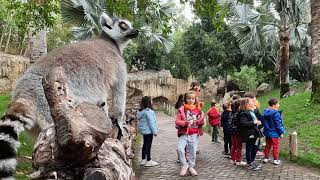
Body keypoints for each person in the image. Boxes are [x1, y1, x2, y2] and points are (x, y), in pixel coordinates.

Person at [176, 91, 204, 176]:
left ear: (195, 100)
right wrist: (186, 123)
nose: (191, 100)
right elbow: (177, 121)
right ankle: (184, 165)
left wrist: (199, 122)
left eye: (193, 98)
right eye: (189, 98)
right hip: (184, 133)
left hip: (194, 134)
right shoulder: (182, 109)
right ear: (185, 99)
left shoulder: (198, 110)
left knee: (193, 152)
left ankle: (191, 167)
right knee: (180, 149)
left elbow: (202, 121)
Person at [239, 98, 263, 171]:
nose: (253, 102)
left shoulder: (251, 111)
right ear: (247, 104)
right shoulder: (244, 113)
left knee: (254, 148)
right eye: (251, 102)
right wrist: (254, 122)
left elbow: (256, 118)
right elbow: (243, 123)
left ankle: (252, 161)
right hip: (249, 133)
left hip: (255, 132)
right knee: (249, 148)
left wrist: (258, 122)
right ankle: (249, 163)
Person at [262, 98, 286, 165]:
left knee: (268, 145)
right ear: (273, 105)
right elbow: (278, 124)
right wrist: (281, 132)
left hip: (267, 132)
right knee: (275, 146)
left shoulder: (265, 111)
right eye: (278, 103)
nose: (279, 105)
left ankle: (266, 158)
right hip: (274, 133)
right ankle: (275, 159)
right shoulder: (276, 113)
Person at [137, 96, 158, 167]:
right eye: (151, 101)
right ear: (149, 103)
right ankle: (149, 160)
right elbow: (151, 123)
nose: (152, 102)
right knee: (148, 146)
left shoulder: (141, 111)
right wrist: (154, 131)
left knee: (144, 145)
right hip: (149, 132)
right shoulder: (149, 112)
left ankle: (143, 159)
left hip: (144, 132)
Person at [230, 100, 247, 166]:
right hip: (238, 132)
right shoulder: (239, 114)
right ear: (239, 106)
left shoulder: (231, 113)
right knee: (239, 146)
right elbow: (240, 123)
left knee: (234, 145)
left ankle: (232, 159)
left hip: (232, 131)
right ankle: (238, 160)